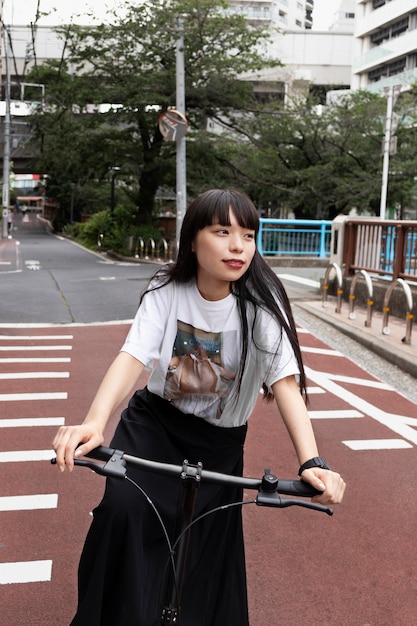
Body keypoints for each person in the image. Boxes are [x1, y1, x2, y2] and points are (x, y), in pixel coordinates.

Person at [53, 189, 345, 626]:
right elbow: (134, 356)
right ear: (192, 239)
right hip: (154, 425)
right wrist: (95, 423)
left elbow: (285, 384)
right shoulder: (167, 289)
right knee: (123, 512)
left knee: (205, 548)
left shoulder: (261, 308)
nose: (237, 246)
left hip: (220, 442)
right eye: (222, 231)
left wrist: (312, 460)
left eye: (248, 235)